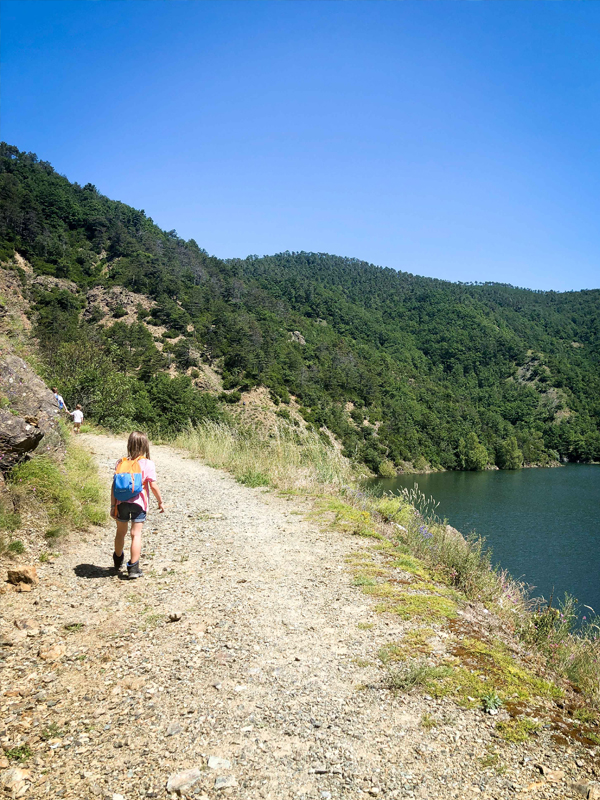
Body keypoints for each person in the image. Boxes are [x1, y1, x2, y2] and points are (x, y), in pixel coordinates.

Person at [110, 431, 165, 578]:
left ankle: (117, 560)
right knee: (136, 534)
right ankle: (133, 568)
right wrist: (160, 501)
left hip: (121, 503)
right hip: (139, 504)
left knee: (120, 533)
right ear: (145, 445)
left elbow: (113, 486)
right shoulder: (147, 463)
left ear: (129, 444)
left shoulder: (121, 463)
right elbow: (153, 485)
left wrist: (112, 505)